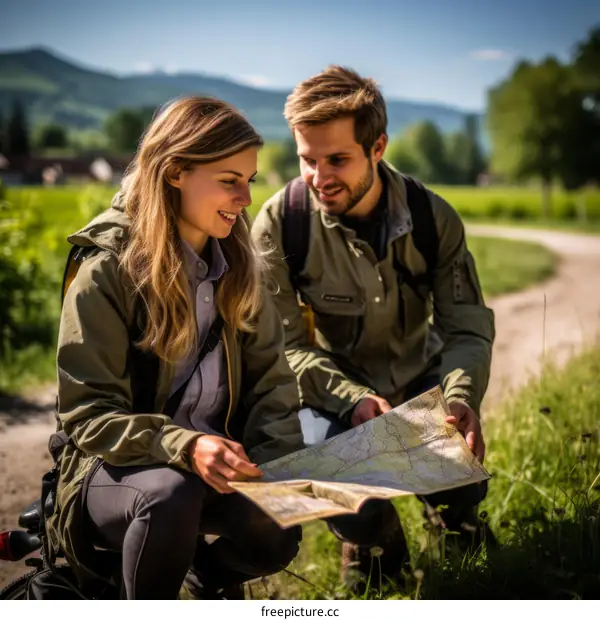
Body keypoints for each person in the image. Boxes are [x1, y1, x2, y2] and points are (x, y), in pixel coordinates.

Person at [46, 96, 304, 600]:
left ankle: (198, 586)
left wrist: (284, 472)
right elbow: (87, 416)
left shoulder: (242, 265)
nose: (246, 200)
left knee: (280, 524)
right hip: (117, 473)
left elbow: (273, 384)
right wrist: (184, 444)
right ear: (175, 171)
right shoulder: (107, 271)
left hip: (217, 472)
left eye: (249, 181)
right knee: (171, 495)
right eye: (230, 181)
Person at [252, 66, 496, 592]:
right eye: (307, 160)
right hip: (332, 388)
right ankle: (372, 542)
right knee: (343, 495)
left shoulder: (434, 219)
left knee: (463, 489)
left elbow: (467, 328)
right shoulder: (280, 224)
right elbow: (284, 347)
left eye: (337, 159)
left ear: (377, 146)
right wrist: (352, 398)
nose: (319, 177)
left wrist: (460, 397)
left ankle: (454, 520)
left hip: (421, 378)